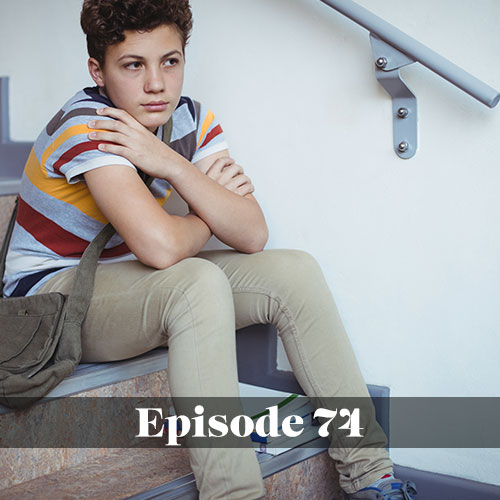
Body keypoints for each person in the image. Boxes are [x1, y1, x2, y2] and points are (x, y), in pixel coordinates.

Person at [2, 0, 417, 499]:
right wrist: (203, 205)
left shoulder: (190, 118)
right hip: (56, 298)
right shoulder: (91, 125)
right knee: (195, 282)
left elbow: (251, 232)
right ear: (99, 70)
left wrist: (172, 165)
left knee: (294, 272)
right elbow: (158, 246)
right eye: (134, 65)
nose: (156, 84)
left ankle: (371, 475)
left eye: (170, 61)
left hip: (132, 285)